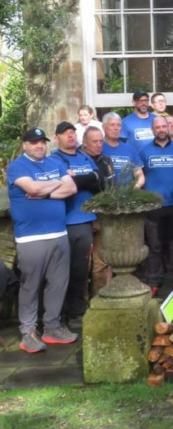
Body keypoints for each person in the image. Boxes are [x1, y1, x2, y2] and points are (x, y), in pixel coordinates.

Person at [7, 127, 79, 353]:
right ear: (25, 145)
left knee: (58, 284)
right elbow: (32, 187)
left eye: (42, 142)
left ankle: (52, 327)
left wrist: (45, 192)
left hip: (59, 233)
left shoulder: (54, 162)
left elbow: (72, 187)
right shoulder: (18, 166)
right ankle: (28, 331)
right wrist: (56, 184)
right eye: (34, 142)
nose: (40, 146)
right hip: (31, 237)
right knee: (30, 285)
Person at [50, 121, 102, 323]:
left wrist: (78, 178)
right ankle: (60, 313)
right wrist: (87, 178)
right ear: (57, 138)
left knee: (81, 269)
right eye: (65, 133)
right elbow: (62, 184)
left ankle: (77, 310)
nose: (70, 136)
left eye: (72, 132)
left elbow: (100, 182)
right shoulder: (54, 159)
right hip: (65, 221)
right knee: (63, 270)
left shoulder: (84, 157)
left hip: (86, 219)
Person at [140, 115, 173, 296]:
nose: (161, 130)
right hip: (154, 207)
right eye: (157, 127)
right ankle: (153, 281)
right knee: (155, 247)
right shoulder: (144, 152)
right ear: (153, 130)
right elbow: (139, 177)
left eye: (163, 126)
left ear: (168, 128)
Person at [79, 126, 116, 296]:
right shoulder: (78, 160)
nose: (99, 144)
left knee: (102, 262)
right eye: (95, 141)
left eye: (101, 141)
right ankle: (82, 302)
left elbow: (111, 187)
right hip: (82, 218)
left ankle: (99, 298)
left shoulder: (107, 161)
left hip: (103, 217)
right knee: (83, 263)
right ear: (85, 143)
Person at [101, 112, 145, 187]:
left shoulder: (129, 149)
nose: (116, 128)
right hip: (106, 196)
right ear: (104, 127)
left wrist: (133, 190)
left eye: (119, 125)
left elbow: (140, 176)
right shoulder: (98, 148)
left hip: (127, 196)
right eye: (112, 125)